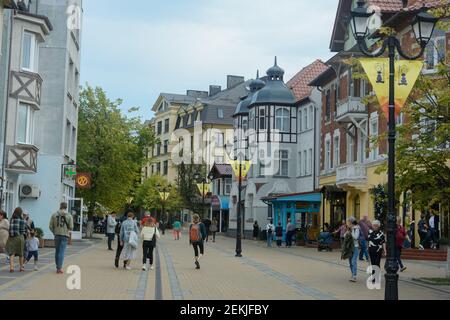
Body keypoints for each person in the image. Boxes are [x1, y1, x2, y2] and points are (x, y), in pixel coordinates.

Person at [49, 202, 73, 274]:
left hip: (57, 235)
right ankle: (59, 268)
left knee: (57, 251)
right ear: (66, 207)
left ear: (60, 206)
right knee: (61, 252)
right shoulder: (69, 215)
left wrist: (54, 232)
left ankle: (57, 266)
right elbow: (71, 227)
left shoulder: (54, 215)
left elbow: (50, 226)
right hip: (65, 235)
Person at [6, 208, 27, 273]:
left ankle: (11, 267)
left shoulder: (12, 219)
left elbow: (10, 229)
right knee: (21, 253)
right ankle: (21, 267)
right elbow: (23, 231)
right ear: (20, 213)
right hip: (20, 238)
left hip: (12, 238)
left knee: (12, 253)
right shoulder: (22, 220)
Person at [348, 217, 360, 282]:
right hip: (350, 247)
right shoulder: (350, 228)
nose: (348, 223)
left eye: (349, 222)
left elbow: (356, 237)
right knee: (350, 262)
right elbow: (345, 235)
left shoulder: (356, 228)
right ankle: (352, 274)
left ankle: (354, 276)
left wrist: (352, 231)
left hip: (355, 246)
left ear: (351, 222)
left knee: (353, 261)